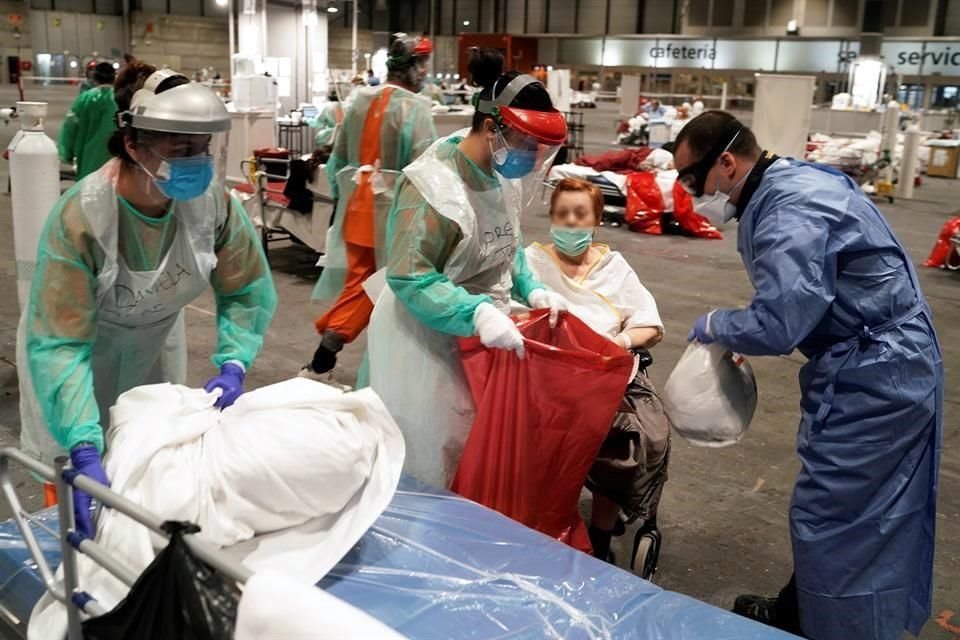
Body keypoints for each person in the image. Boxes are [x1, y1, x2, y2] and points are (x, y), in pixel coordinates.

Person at [675, 111, 942, 640]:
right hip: (891, 357)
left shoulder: (787, 210)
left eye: (691, 179)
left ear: (726, 163)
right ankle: (802, 610)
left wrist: (718, 325)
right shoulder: (790, 179)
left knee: (832, 514)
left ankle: (832, 628)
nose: (687, 192)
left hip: (876, 373)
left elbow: (779, 323)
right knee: (866, 510)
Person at [18, 63, 278, 540]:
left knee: (147, 466)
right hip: (77, 360)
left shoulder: (212, 204)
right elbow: (60, 342)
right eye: (181, 150)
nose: (197, 162)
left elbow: (245, 290)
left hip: (153, 343)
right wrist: (81, 445)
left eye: (204, 150)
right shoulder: (83, 218)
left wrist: (235, 361)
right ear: (134, 145)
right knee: (82, 498)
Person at [366, 49, 568, 488]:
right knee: (430, 452)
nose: (533, 158)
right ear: (493, 127)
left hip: (480, 335)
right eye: (528, 144)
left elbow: (505, 241)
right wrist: (473, 312)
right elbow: (411, 275)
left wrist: (531, 287)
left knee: (475, 446)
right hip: (425, 338)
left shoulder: (500, 171)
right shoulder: (432, 186)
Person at [525, 178, 668, 577]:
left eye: (580, 214)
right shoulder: (532, 263)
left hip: (608, 377)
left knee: (631, 440)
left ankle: (601, 538)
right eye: (562, 214)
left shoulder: (614, 268)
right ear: (551, 218)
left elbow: (650, 326)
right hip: (549, 379)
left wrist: (620, 340)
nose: (570, 223)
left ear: (597, 221)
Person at [303, 33, 437, 378]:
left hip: (356, 203)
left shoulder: (359, 99)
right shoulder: (415, 108)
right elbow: (424, 167)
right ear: (409, 66)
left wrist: (343, 196)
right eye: (421, 64)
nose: (425, 72)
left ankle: (325, 353)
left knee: (361, 280)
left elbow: (339, 159)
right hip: (394, 210)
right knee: (379, 284)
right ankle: (327, 353)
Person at [58, 61, 118, 180]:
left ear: (94, 77)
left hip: (88, 159)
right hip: (115, 161)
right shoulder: (120, 99)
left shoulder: (84, 99)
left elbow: (70, 127)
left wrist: (66, 152)